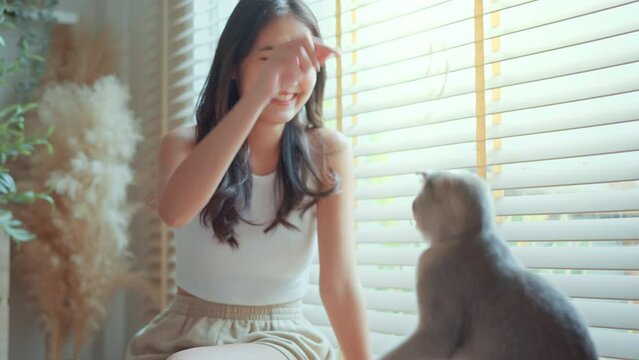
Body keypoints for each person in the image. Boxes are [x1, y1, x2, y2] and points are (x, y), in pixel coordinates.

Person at [125, 0, 372, 359]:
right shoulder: (182, 145)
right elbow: (175, 213)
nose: (288, 75)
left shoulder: (327, 151)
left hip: (281, 339)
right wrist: (258, 97)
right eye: (270, 59)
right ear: (233, 67)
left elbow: (339, 284)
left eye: (301, 59)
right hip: (184, 335)